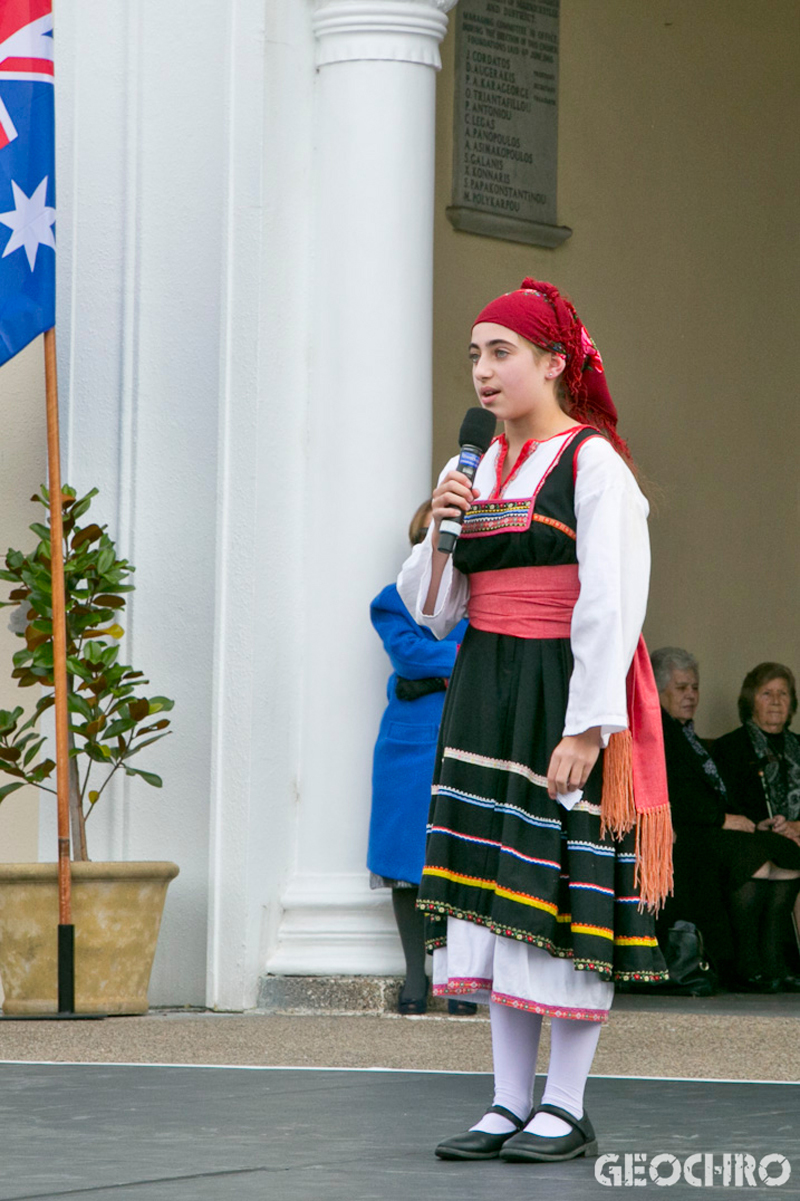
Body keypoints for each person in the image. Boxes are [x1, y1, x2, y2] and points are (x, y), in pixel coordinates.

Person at [397, 278, 672, 1165]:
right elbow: (435, 610)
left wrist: (589, 727)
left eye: (500, 352)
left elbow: (612, 601)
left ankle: (567, 1100)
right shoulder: (469, 469)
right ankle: (507, 1100)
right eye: (474, 353)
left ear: (554, 362)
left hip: (560, 688)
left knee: (557, 888)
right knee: (494, 895)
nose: (481, 370)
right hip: (483, 690)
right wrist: (435, 530)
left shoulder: (594, 463)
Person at [367, 500, 470, 1015]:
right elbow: (408, 653)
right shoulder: (392, 601)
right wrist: (458, 662)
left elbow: (484, 652)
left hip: (467, 741)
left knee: (460, 861)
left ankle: (456, 979)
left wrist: (432, 672)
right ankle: (415, 977)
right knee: (407, 867)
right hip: (407, 747)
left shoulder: (483, 601)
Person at [654, 647, 800, 990]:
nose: (691, 695)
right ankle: (746, 966)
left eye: (695, 687)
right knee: (753, 858)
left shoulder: (684, 732)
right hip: (685, 834)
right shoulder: (659, 732)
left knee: (789, 853)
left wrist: (751, 822)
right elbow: (673, 796)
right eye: (681, 688)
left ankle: (774, 962)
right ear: (658, 691)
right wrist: (723, 820)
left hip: (711, 826)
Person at [713, 663, 800, 840]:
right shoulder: (729, 747)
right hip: (754, 840)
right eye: (767, 693)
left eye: (783, 693)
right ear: (751, 701)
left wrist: (796, 827)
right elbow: (727, 808)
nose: (776, 701)